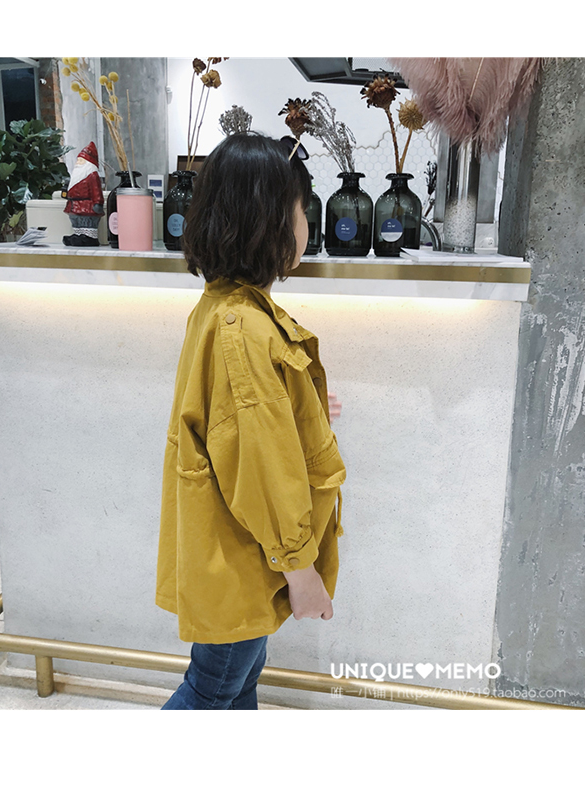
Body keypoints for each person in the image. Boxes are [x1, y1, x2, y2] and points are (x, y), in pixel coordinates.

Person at [156, 132, 346, 710]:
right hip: (245, 555)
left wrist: (303, 405)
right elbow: (260, 469)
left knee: (237, 683)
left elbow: (244, 421)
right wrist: (300, 570)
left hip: (235, 550)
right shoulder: (244, 329)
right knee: (212, 689)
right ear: (272, 222)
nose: (307, 224)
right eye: (301, 210)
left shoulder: (224, 307)